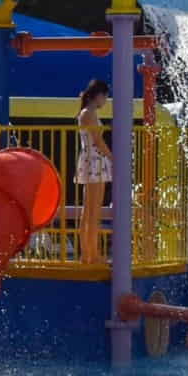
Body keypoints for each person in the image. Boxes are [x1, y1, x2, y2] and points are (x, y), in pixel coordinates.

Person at [75, 79, 113, 265]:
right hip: (95, 161)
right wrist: (114, 158)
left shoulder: (86, 113)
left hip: (91, 160)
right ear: (97, 95)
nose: (105, 100)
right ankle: (92, 254)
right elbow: (98, 141)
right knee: (93, 211)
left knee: (88, 210)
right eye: (105, 96)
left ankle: (87, 253)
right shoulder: (89, 113)